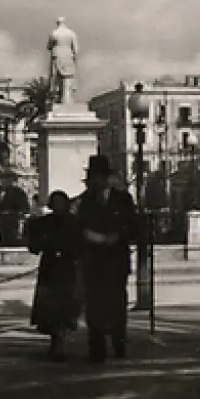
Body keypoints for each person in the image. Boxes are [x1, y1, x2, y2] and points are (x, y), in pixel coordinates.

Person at [73, 155, 140, 363]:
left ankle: (119, 342)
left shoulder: (123, 199)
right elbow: (77, 228)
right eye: (93, 177)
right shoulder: (84, 202)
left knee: (117, 304)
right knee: (94, 306)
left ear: (108, 178)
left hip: (116, 260)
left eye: (100, 177)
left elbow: (134, 227)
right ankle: (97, 348)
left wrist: (118, 235)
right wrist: (89, 236)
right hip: (93, 262)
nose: (97, 181)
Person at [26, 190, 83, 361]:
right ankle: (56, 342)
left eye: (61, 203)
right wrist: (40, 239)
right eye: (55, 203)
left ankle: (59, 344)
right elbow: (33, 247)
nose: (58, 207)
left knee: (64, 309)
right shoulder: (44, 223)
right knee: (50, 310)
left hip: (67, 269)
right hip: (49, 269)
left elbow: (81, 246)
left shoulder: (75, 223)